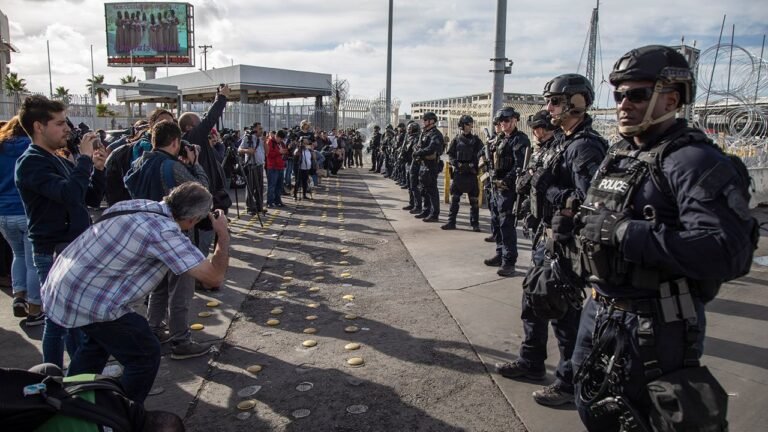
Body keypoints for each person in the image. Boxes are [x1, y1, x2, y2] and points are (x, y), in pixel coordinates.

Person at [570, 45, 757, 432]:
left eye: (637, 94)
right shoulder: (621, 154)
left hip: (654, 327)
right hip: (601, 311)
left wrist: (626, 232)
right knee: (594, 408)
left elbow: (728, 252)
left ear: (671, 98)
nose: (624, 104)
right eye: (619, 95)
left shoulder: (694, 161)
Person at [41, 182, 230, 403]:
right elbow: (214, 278)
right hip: (91, 299)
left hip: (65, 284)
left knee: (98, 344)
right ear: (191, 221)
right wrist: (222, 234)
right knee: (145, 353)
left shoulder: (137, 205)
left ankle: (72, 403)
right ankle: (122, 414)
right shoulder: (163, 232)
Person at [495, 74, 607, 406]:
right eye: (548, 101)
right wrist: (528, 184)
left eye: (555, 102)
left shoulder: (586, 146)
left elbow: (591, 201)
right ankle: (531, 362)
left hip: (567, 243)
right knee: (534, 303)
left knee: (564, 316)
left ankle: (569, 382)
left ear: (578, 102)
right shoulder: (560, 141)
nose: (549, 108)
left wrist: (549, 189)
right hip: (545, 239)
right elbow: (540, 176)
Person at [14, 96, 106, 368]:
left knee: (72, 320)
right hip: (54, 252)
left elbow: (88, 198)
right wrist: (85, 161)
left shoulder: (57, 159)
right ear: (38, 127)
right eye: (59, 123)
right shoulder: (31, 162)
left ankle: (76, 372)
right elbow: (68, 194)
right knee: (58, 322)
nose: (67, 129)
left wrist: (97, 169)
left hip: (71, 248)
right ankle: (53, 378)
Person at [123, 120, 212, 360]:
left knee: (159, 286)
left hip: (147, 233)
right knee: (181, 289)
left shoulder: (138, 163)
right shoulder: (171, 167)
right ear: (175, 142)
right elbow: (201, 192)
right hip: (174, 233)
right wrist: (195, 165)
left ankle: (154, 329)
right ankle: (181, 339)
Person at [0, 117, 40, 319]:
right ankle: (34, 307)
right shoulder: (31, 148)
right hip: (26, 211)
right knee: (33, 261)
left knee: (18, 255)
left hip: (3, 213)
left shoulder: (1, 148)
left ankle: (19, 295)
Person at [484, 107, 530, 277]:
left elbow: (519, 166)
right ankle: (500, 253)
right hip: (496, 187)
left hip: (508, 189)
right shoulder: (500, 138)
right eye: (501, 121)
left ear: (515, 120)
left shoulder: (520, 140)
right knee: (496, 222)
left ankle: (509, 261)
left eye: (507, 120)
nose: (503, 124)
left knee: (506, 226)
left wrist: (505, 180)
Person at [442, 115, 483, 232]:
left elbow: (481, 154)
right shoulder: (456, 140)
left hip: (471, 173)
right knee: (454, 199)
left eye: (471, 124)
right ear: (462, 125)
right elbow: (451, 155)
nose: (470, 126)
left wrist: (472, 165)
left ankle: (475, 224)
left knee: (474, 201)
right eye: (468, 124)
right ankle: (451, 222)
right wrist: (457, 164)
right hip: (459, 173)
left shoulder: (476, 140)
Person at [412, 112, 444, 223]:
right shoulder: (425, 133)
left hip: (431, 165)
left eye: (425, 120)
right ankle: (426, 210)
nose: (423, 122)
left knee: (432, 190)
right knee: (424, 189)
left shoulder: (435, 134)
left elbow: (432, 148)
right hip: (423, 164)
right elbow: (420, 145)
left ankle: (434, 214)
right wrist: (417, 150)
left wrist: (419, 152)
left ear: (432, 121)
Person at [238, 123, 266, 215]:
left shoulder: (260, 139)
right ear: (254, 129)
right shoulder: (248, 137)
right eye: (259, 128)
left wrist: (265, 142)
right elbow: (239, 149)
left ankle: (259, 206)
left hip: (259, 165)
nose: (261, 130)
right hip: (251, 165)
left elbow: (266, 152)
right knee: (251, 187)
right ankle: (250, 207)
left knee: (260, 187)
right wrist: (247, 151)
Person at [266, 130, 287, 208]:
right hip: (273, 167)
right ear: (277, 136)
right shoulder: (270, 142)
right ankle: (269, 202)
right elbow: (268, 154)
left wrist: (285, 152)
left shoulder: (281, 143)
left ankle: (278, 201)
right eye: (280, 139)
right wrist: (279, 152)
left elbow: (285, 151)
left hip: (280, 166)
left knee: (279, 185)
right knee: (272, 185)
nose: (281, 141)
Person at [293, 136, 313, 200]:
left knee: (305, 182)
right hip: (299, 168)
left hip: (306, 168)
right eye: (304, 143)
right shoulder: (298, 149)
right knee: (298, 182)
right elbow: (296, 154)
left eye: (306, 143)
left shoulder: (308, 150)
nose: (306, 144)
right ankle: (295, 195)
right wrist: (300, 148)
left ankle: (304, 195)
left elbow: (311, 154)